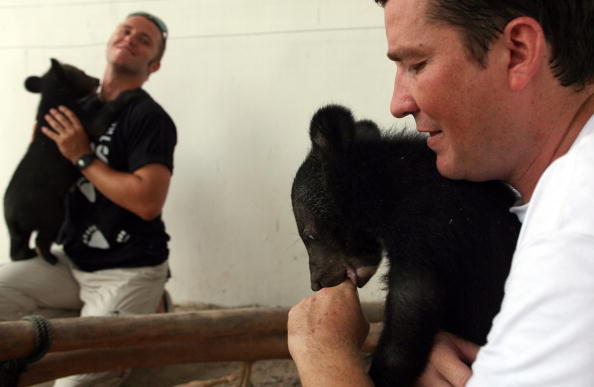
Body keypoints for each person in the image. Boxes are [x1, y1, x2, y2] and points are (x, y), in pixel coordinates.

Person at [288, 0, 594, 386]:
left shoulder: (574, 231)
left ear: (517, 53)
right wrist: (431, 345)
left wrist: (321, 351)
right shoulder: (553, 203)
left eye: (417, 65)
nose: (397, 104)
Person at [0, 11, 176, 386]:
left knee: (77, 382)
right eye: (125, 31)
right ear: (111, 41)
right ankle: (100, 316)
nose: (131, 38)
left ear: (154, 64)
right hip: (71, 260)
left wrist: (82, 156)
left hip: (129, 268)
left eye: (144, 40)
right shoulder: (74, 106)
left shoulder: (149, 118)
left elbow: (148, 202)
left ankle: (151, 302)